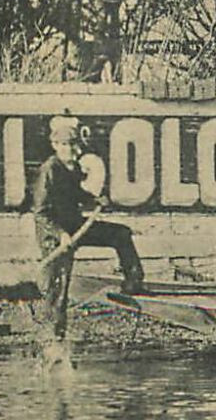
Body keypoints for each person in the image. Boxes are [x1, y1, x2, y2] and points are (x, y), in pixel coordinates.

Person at [31, 116, 145, 340]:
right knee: (58, 288)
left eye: (73, 145)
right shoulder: (49, 171)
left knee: (120, 233)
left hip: (75, 226)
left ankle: (133, 281)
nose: (70, 149)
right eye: (65, 145)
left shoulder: (70, 167)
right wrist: (61, 235)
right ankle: (52, 339)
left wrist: (95, 200)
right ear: (55, 146)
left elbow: (76, 193)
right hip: (54, 237)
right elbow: (40, 213)